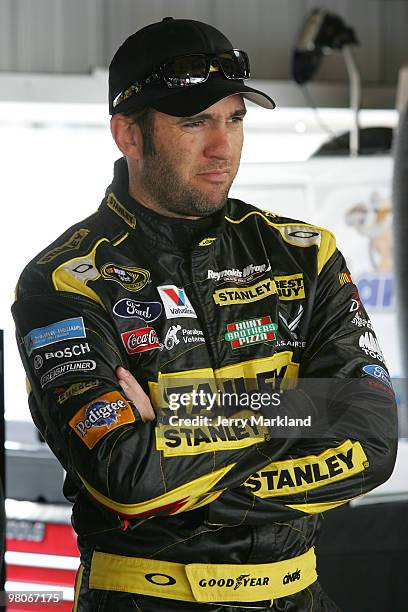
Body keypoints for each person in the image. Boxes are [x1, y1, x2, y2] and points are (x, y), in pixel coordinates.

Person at [12, 17, 397, 612]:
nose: (223, 146)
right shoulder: (62, 280)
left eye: (235, 118)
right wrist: (304, 405)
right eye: (195, 122)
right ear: (128, 134)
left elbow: (370, 442)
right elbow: (127, 479)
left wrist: (173, 412)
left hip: (300, 594)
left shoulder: (305, 253)